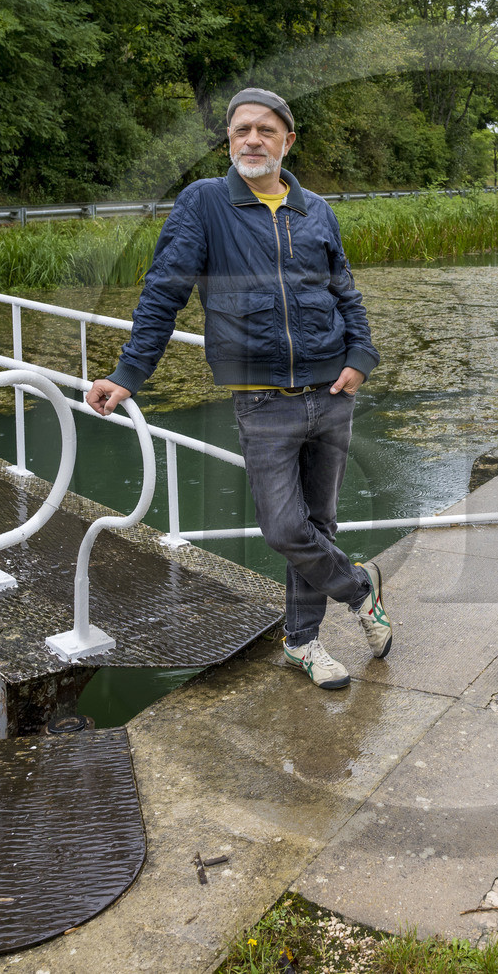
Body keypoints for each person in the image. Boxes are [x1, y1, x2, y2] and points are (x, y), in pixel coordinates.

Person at [86, 87, 390, 691]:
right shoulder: (204, 204)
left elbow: (345, 291)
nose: (253, 140)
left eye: (266, 131)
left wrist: (360, 355)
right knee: (284, 529)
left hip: (331, 392)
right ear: (228, 140)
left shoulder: (315, 211)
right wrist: (128, 374)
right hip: (261, 399)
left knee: (319, 526)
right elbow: (162, 294)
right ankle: (360, 589)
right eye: (241, 130)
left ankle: (302, 644)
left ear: (287, 141)